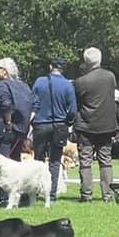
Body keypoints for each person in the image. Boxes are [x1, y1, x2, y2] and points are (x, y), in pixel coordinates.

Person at [73, 47, 118, 203]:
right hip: (107, 125)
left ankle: (86, 195)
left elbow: (77, 103)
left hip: (85, 125)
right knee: (106, 160)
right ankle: (108, 194)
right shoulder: (110, 77)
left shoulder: (80, 82)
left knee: (85, 160)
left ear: (86, 62)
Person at [31, 57, 76, 203]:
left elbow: (33, 102)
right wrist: (67, 122)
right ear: (63, 69)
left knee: (38, 160)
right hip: (59, 125)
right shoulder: (68, 85)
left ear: (50, 67)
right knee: (55, 160)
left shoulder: (39, 82)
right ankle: (51, 194)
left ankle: (36, 191)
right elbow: (72, 110)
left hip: (40, 124)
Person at [0, 57, 33, 206]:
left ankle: (4, 198)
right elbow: (34, 103)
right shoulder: (24, 86)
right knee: (17, 163)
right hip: (22, 129)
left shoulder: (2, 85)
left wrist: (8, 123)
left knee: (2, 164)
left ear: (4, 71)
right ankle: (22, 197)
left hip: (6, 128)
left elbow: (6, 105)